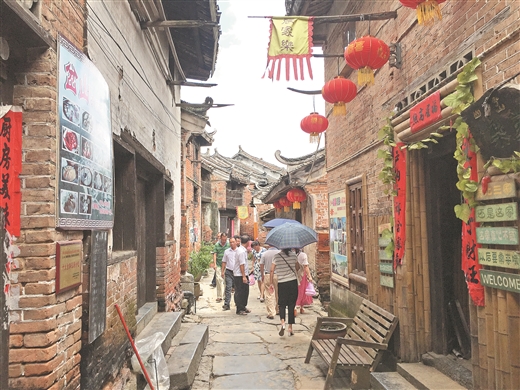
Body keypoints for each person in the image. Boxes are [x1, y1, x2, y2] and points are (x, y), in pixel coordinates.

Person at [270, 248, 300, 336]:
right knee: (291, 304)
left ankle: (283, 322)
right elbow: (297, 268)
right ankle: (290, 327)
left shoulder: (276, 256)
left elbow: (272, 270)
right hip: (292, 282)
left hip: (282, 283)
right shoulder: (294, 255)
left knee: (282, 304)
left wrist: (271, 283)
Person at [260, 244, 280, 319]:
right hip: (278, 275)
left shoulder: (264, 254)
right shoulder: (279, 253)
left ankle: (271, 312)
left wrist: (262, 275)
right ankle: (278, 309)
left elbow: (261, 265)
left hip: (268, 274)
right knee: (278, 293)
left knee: (269, 294)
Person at [234, 235, 251, 315]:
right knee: (240, 292)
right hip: (240, 275)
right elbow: (241, 264)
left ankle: (243, 306)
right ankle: (239, 309)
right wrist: (244, 276)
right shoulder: (241, 251)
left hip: (243, 274)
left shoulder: (243, 250)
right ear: (248, 242)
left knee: (245, 291)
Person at [221, 237, 238, 311]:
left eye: (233, 242)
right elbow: (224, 262)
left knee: (237, 289)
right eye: (230, 242)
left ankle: (238, 303)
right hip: (229, 271)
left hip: (237, 272)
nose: (232, 243)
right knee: (228, 288)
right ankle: (226, 304)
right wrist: (222, 271)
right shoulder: (227, 251)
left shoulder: (240, 251)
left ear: (236, 242)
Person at [211, 233, 229, 303]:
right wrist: (214, 264)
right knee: (218, 279)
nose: (224, 241)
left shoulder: (228, 245)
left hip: (227, 265)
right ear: (220, 238)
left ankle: (225, 295)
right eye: (223, 239)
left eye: (225, 239)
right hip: (219, 264)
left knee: (226, 280)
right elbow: (215, 254)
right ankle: (219, 296)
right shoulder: (217, 245)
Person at [295, 249, 313, 315]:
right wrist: (309, 276)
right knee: (302, 290)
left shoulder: (290, 255)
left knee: (295, 290)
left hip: (294, 274)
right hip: (302, 275)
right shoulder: (303, 255)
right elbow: (306, 266)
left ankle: (295, 307)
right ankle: (301, 307)